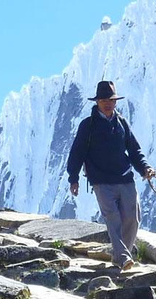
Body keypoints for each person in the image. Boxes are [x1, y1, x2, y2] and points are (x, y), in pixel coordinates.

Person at [67, 80, 156, 271]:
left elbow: (134, 151)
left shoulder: (122, 123)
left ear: (115, 102)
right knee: (113, 218)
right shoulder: (88, 126)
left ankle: (119, 256)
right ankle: (124, 258)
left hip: (125, 178)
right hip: (101, 181)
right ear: (97, 102)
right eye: (103, 100)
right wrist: (73, 178)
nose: (107, 103)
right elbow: (77, 153)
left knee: (133, 218)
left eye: (110, 99)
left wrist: (145, 168)